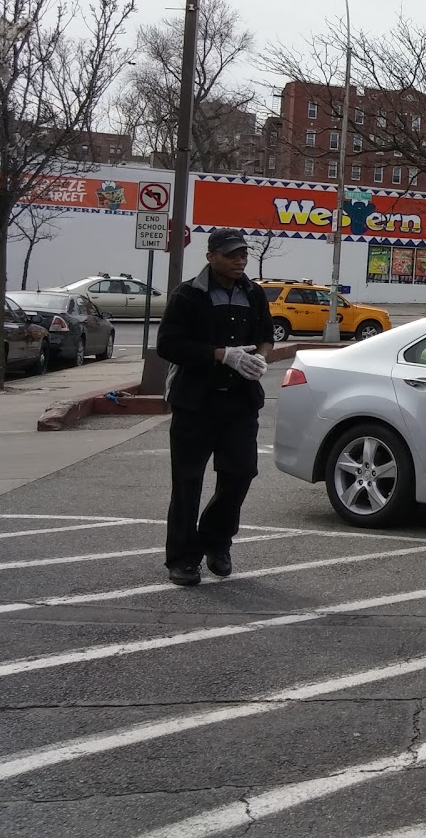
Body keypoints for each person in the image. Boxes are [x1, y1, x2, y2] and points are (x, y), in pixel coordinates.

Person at [156, 229, 274, 586]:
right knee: (188, 482)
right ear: (211, 257)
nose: (240, 260)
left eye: (243, 254)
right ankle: (182, 559)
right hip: (195, 402)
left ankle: (216, 540)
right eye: (231, 254)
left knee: (241, 472)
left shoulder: (254, 294)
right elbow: (169, 345)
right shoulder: (188, 295)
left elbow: (265, 337)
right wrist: (221, 355)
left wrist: (260, 361)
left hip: (239, 402)